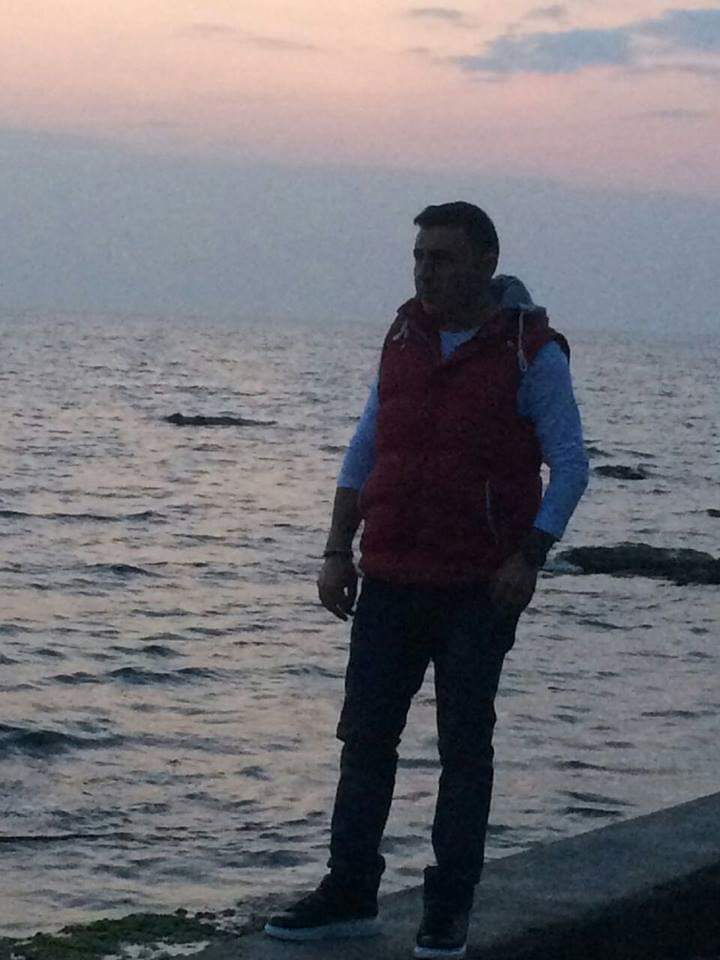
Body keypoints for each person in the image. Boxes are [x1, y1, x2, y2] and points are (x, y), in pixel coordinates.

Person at [264, 201, 589, 959]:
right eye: (419, 257)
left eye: (441, 257)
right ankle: (349, 891)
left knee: (463, 748)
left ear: (485, 261)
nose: (425, 271)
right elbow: (366, 445)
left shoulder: (530, 353)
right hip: (390, 576)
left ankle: (448, 907)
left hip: (479, 587)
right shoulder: (403, 336)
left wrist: (530, 556)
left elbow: (571, 465)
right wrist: (336, 549)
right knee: (365, 739)